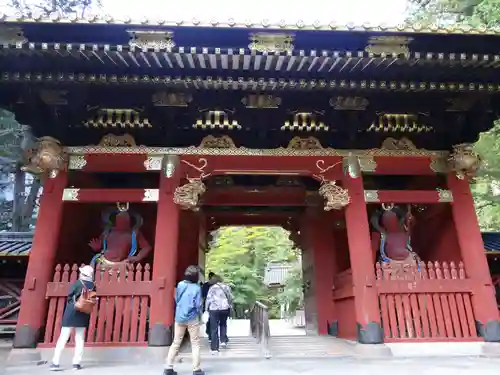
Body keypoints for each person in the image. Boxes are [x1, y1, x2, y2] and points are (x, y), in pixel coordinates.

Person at [50, 265, 95, 371]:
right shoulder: (93, 285)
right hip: (84, 313)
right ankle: (76, 363)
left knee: (63, 338)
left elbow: (70, 296)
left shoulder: (77, 283)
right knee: (80, 339)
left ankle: (55, 362)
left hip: (72, 312)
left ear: (82, 274)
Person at [164, 265, 204, 375]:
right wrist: (200, 313)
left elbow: (177, 298)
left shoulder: (180, 285)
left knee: (176, 342)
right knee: (195, 343)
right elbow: (198, 304)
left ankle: (168, 367)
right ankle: (196, 369)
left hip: (179, 317)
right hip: (192, 318)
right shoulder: (196, 288)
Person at [205, 274, 233, 353]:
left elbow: (208, 299)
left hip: (214, 309)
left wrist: (206, 309)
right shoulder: (226, 287)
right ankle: (223, 341)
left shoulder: (212, 288)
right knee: (223, 324)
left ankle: (215, 348)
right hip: (224, 308)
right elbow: (231, 297)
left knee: (214, 328)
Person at [201, 271, 215, 339]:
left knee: (208, 320)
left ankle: (209, 333)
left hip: (207, 304)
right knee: (215, 320)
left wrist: (202, 306)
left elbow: (203, 296)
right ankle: (212, 334)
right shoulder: (217, 285)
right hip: (215, 305)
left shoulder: (205, 285)